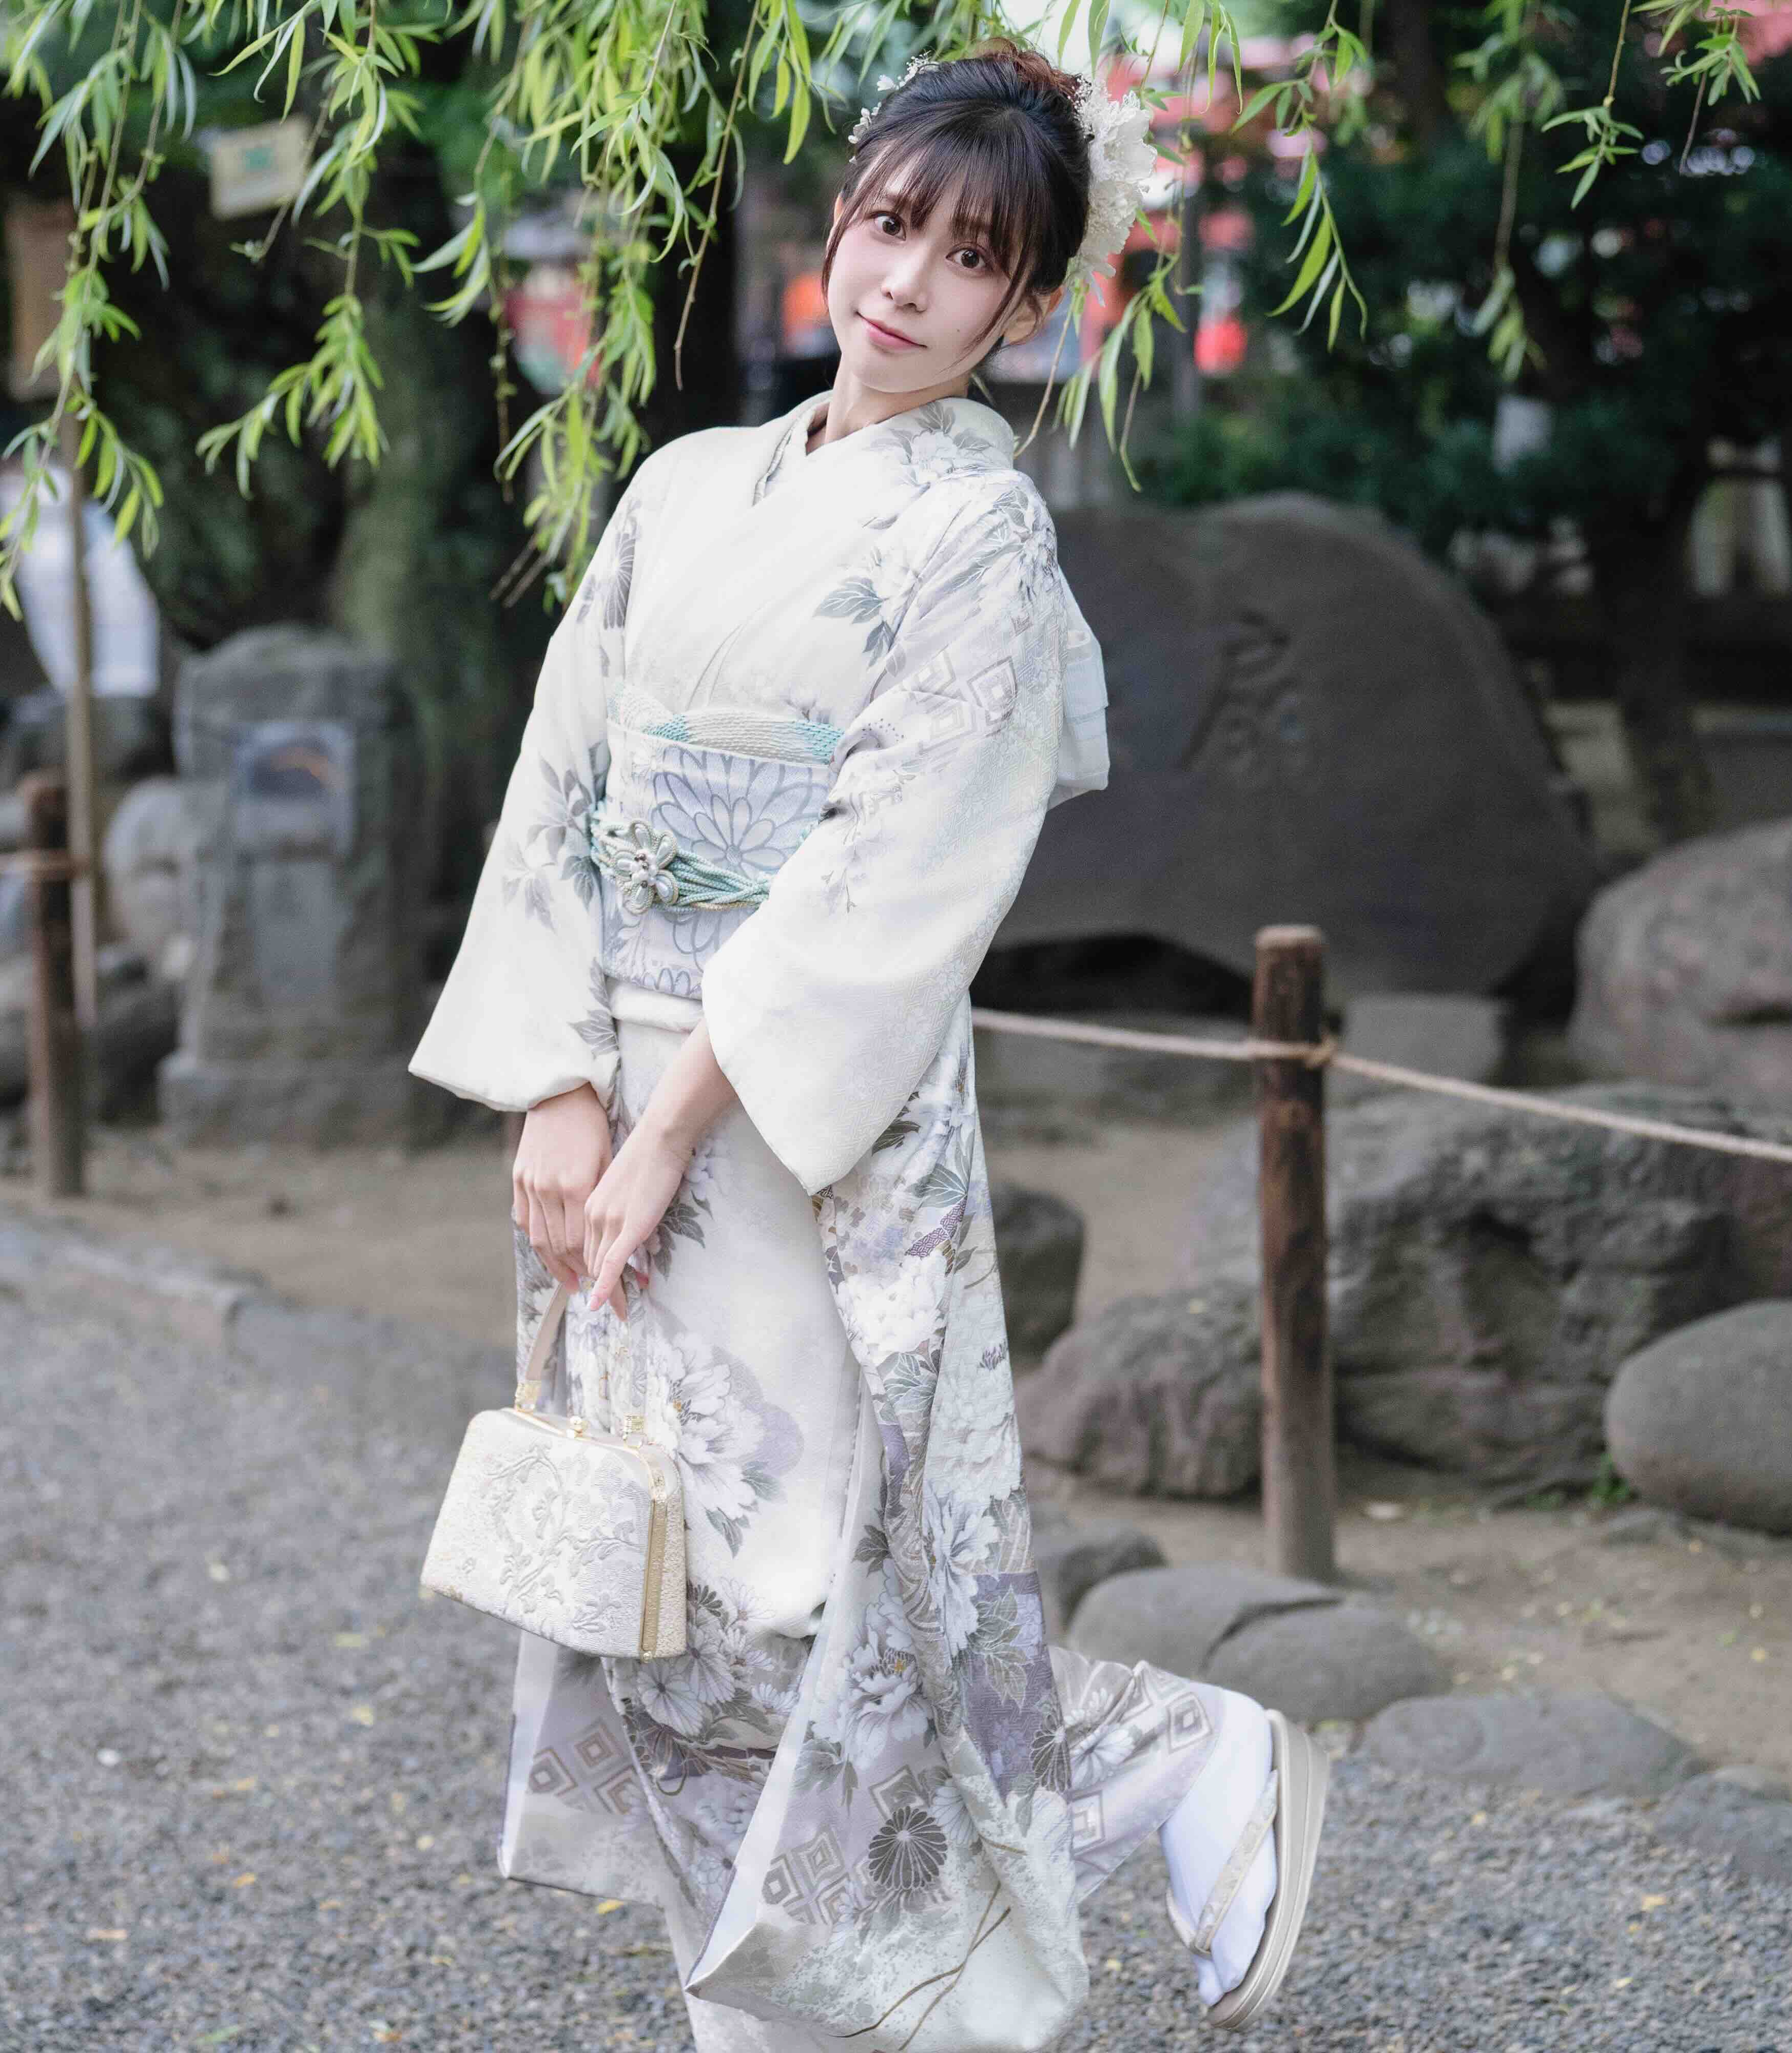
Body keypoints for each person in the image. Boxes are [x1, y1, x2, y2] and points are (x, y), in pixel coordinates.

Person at [410, 40, 1329, 2051]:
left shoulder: (977, 539)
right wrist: (554, 1088)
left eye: (974, 256)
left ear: (1031, 303)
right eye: (893, 223)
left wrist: (665, 1128)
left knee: (807, 1580)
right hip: (609, 1086)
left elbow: (880, 876)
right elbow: (560, 775)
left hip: (794, 1119)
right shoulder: (685, 484)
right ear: (842, 224)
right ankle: (771, 2006)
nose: (910, 280)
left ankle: (1157, 1756)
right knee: (658, 1582)